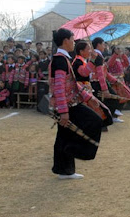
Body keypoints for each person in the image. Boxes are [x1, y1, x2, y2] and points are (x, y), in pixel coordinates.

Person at [50, 28, 102, 179]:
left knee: (63, 135)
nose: (74, 42)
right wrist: (64, 111)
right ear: (66, 40)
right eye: (73, 39)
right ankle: (76, 152)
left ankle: (64, 171)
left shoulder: (63, 59)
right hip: (68, 105)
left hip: (67, 103)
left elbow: (72, 83)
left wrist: (88, 97)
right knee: (94, 121)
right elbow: (59, 87)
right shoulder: (60, 60)